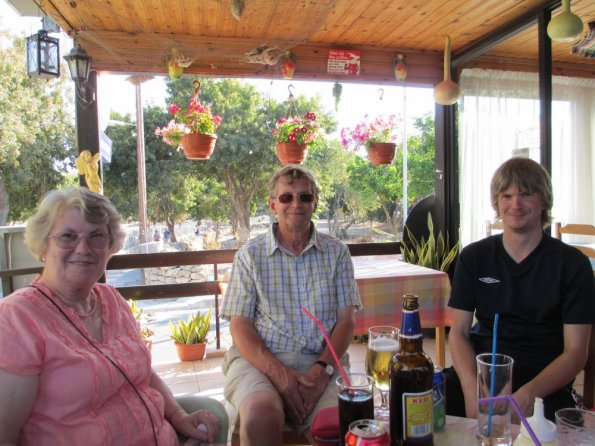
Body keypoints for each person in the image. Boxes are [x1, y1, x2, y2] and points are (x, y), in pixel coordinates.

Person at [0, 188, 227, 446]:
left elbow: (140, 373)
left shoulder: (110, 299)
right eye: (67, 236)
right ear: (43, 245)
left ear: (110, 246)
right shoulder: (17, 318)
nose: (83, 248)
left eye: (96, 236)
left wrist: (178, 415)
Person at [220, 165, 361, 445]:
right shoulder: (251, 255)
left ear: (315, 203)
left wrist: (322, 371)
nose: (296, 204)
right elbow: (240, 326)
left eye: (304, 197)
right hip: (259, 362)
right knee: (261, 416)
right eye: (286, 197)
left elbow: (346, 322)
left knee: (334, 427)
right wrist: (280, 375)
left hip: (321, 362)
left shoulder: (337, 253)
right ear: (273, 204)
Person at [446, 157, 595, 422]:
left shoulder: (573, 265)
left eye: (526, 194)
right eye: (507, 196)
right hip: (482, 375)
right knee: (418, 407)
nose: (515, 204)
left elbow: (576, 353)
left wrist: (528, 395)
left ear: (543, 200)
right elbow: (458, 333)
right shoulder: (474, 257)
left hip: (544, 383)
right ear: (497, 202)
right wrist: (472, 391)